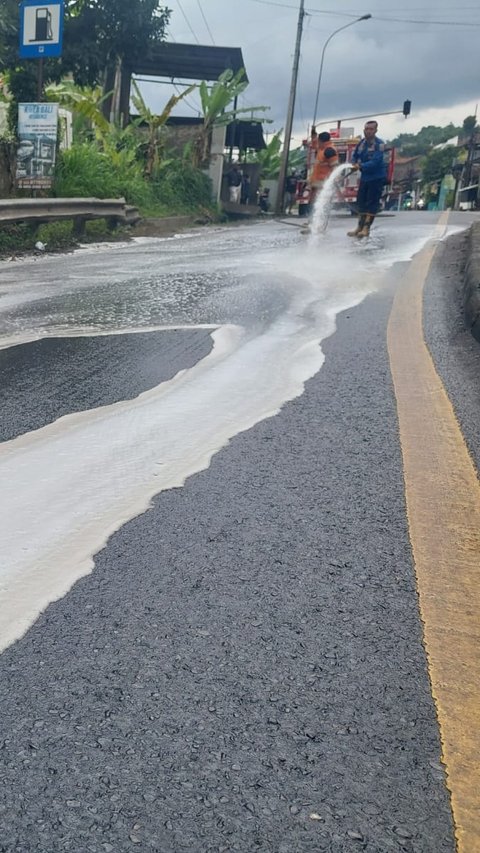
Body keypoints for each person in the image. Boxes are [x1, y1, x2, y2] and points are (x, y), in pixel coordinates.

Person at [348, 120, 387, 238]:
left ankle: (366, 228)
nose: (368, 131)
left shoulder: (379, 144)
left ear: (376, 130)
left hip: (376, 178)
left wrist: (361, 166)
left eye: (371, 129)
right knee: (361, 202)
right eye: (366, 129)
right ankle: (359, 227)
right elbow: (354, 156)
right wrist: (354, 164)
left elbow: (375, 162)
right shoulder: (361, 144)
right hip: (365, 178)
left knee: (372, 203)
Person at [309, 131, 339, 204]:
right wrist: (313, 135)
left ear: (321, 141)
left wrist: (335, 180)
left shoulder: (329, 151)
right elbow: (314, 145)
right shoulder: (321, 148)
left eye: (318, 140)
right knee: (313, 201)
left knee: (321, 203)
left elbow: (335, 167)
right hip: (317, 182)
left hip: (324, 183)